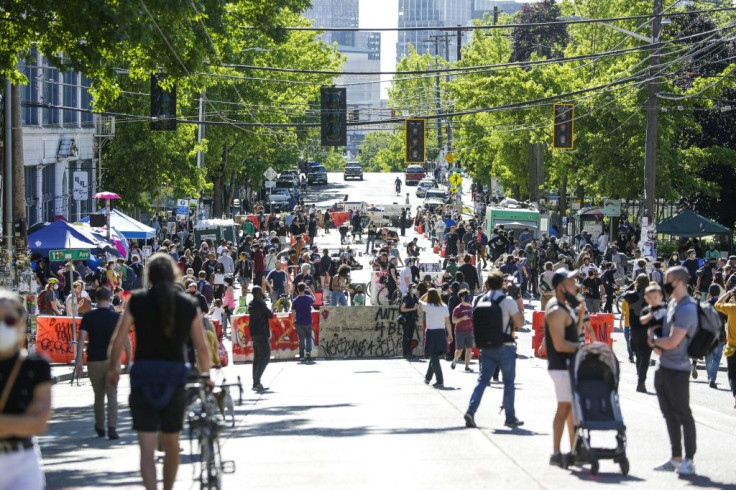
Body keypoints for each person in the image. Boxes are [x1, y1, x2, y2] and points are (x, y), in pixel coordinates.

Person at [106, 253, 212, 490]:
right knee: (171, 442)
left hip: (143, 376)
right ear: (175, 274)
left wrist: (113, 369)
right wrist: (207, 376)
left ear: (149, 276)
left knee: (146, 447)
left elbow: (118, 339)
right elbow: (202, 347)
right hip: (175, 377)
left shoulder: (136, 300)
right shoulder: (188, 304)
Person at [648, 266, 698, 475]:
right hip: (664, 366)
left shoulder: (687, 308)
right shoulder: (672, 305)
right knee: (669, 415)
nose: (664, 284)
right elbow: (664, 342)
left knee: (683, 414)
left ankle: (688, 459)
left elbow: (673, 341)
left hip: (678, 370)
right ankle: (676, 457)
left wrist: (653, 340)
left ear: (677, 281)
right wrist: (655, 342)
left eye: (667, 280)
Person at [0, 290, 52, 490]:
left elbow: (38, 424)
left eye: (9, 320)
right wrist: (18, 423)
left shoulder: (35, 366)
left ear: (22, 324)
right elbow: (29, 422)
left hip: (23, 462)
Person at [544, 268, 596, 467]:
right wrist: (585, 349)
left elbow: (571, 335)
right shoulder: (557, 310)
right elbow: (560, 345)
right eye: (571, 282)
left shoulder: (563, 307)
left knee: (571, 409)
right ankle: (557, 452)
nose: (576, 285)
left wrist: (581, 313)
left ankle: (573, 449)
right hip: (561, 365)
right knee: (564, 407)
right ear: (560, 287)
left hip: (567, 365)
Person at [464, 272, 524, 428]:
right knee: (508, 382)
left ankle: (471, 410)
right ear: (502, 284)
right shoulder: (507, 300)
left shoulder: (481, 300)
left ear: (488, 285)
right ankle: (510, 417)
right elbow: (520, 323)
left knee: (482, 380)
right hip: (505, 346)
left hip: (486, 346)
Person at [76, 287, 124, 439]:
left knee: (98, 395)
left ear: (96, 299)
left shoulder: (88, 317)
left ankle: (100, 426)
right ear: (110, 298)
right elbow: (124, 340)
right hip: (112, 360)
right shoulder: (116, 317)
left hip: (94, 360)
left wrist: (78, 361)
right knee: (112, 394)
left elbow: (81, 339)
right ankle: (112, 427)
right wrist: (128, 358)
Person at [418, 289, 453, 388]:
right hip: (441, 333)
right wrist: (450, 334)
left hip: (431, 333)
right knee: (435, 357)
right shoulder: (444, 306)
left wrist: (426, 293)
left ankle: (440, 380)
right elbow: (447, 322)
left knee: (434, 357)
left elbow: (419, 300)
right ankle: (428, 378)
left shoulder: (428, 306)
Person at [637, 280, 665, 393]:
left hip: (662, 338)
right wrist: (650, 316)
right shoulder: (646, 309)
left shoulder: (664, 307)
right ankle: (641, 382)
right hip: (646, 338)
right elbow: (642, 320)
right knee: (644, 360)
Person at [714, 288, 736, 408]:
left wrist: (728, 293)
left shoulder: (732, 308)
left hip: (732, 346)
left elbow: (717, 305)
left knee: (732, 373)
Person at [248, 286, 273, 390]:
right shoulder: (261, 304)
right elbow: (270, 315)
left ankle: (255, 381)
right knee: (265, 357)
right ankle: (257, 381)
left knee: (257, 357)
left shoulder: (251, 304)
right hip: (261, 332)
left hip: (254, 332)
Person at [704, 284, 726, 389]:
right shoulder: (722, 306)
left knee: (708, 358)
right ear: (719, 293)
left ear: (709, 293)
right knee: (717, 359)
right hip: (720, 335)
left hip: (708, 336)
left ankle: (710, 378)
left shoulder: (704, 305)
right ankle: (712, 379)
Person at [451, 289, 476, 373]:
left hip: (469, 330)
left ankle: (467, 366)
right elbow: (453, 321)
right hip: (460, 331)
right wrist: (462, 318)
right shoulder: (457, 308)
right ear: (462, 297)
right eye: (466, 296)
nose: (468, 297)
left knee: (469, 349)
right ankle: (455, 360)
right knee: (460, 349)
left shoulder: (470, 307)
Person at [291, 283, 316, 361]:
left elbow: (293, 312)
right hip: (308, 321)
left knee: (301, 339)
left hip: (299, 322)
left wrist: (293, 321)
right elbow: (314, 299)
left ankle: (301, 355)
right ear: (304, 289)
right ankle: (308, 352)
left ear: (297, 289)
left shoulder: (295, 300)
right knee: (308, 337)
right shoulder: (308, 298)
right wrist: (311, 291)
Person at [399, 284, 419, 359]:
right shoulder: (406, 297)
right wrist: (412, 309)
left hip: (412, 319)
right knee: (406, 336)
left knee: (410, 336)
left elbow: (416, 306)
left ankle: (409, 352)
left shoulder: (414, 297)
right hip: (406, 319)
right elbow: (402, 309)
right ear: (410, 288)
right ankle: (405, 353)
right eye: (413, 287)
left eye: (415, 287)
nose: (415, 289)